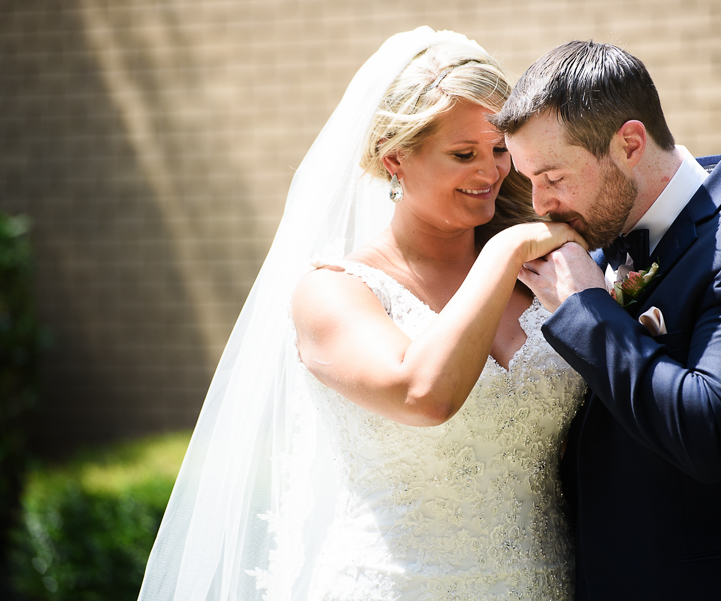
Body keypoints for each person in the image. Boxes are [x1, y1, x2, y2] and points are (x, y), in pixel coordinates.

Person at [138, 28, 587, 601]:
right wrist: (501, 252)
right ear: (394, 158)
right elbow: (422, 394)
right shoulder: (333, 293)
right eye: (463, 154)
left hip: (545, 583)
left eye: (500, 150)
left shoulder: (547, 273)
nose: (491, 172)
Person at [492, 41, 721, 600]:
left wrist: (589, 311)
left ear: (630, 143)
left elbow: (710, 433)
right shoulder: (602, 240)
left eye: (553, 177)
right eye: (529, 179)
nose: (540, 204)